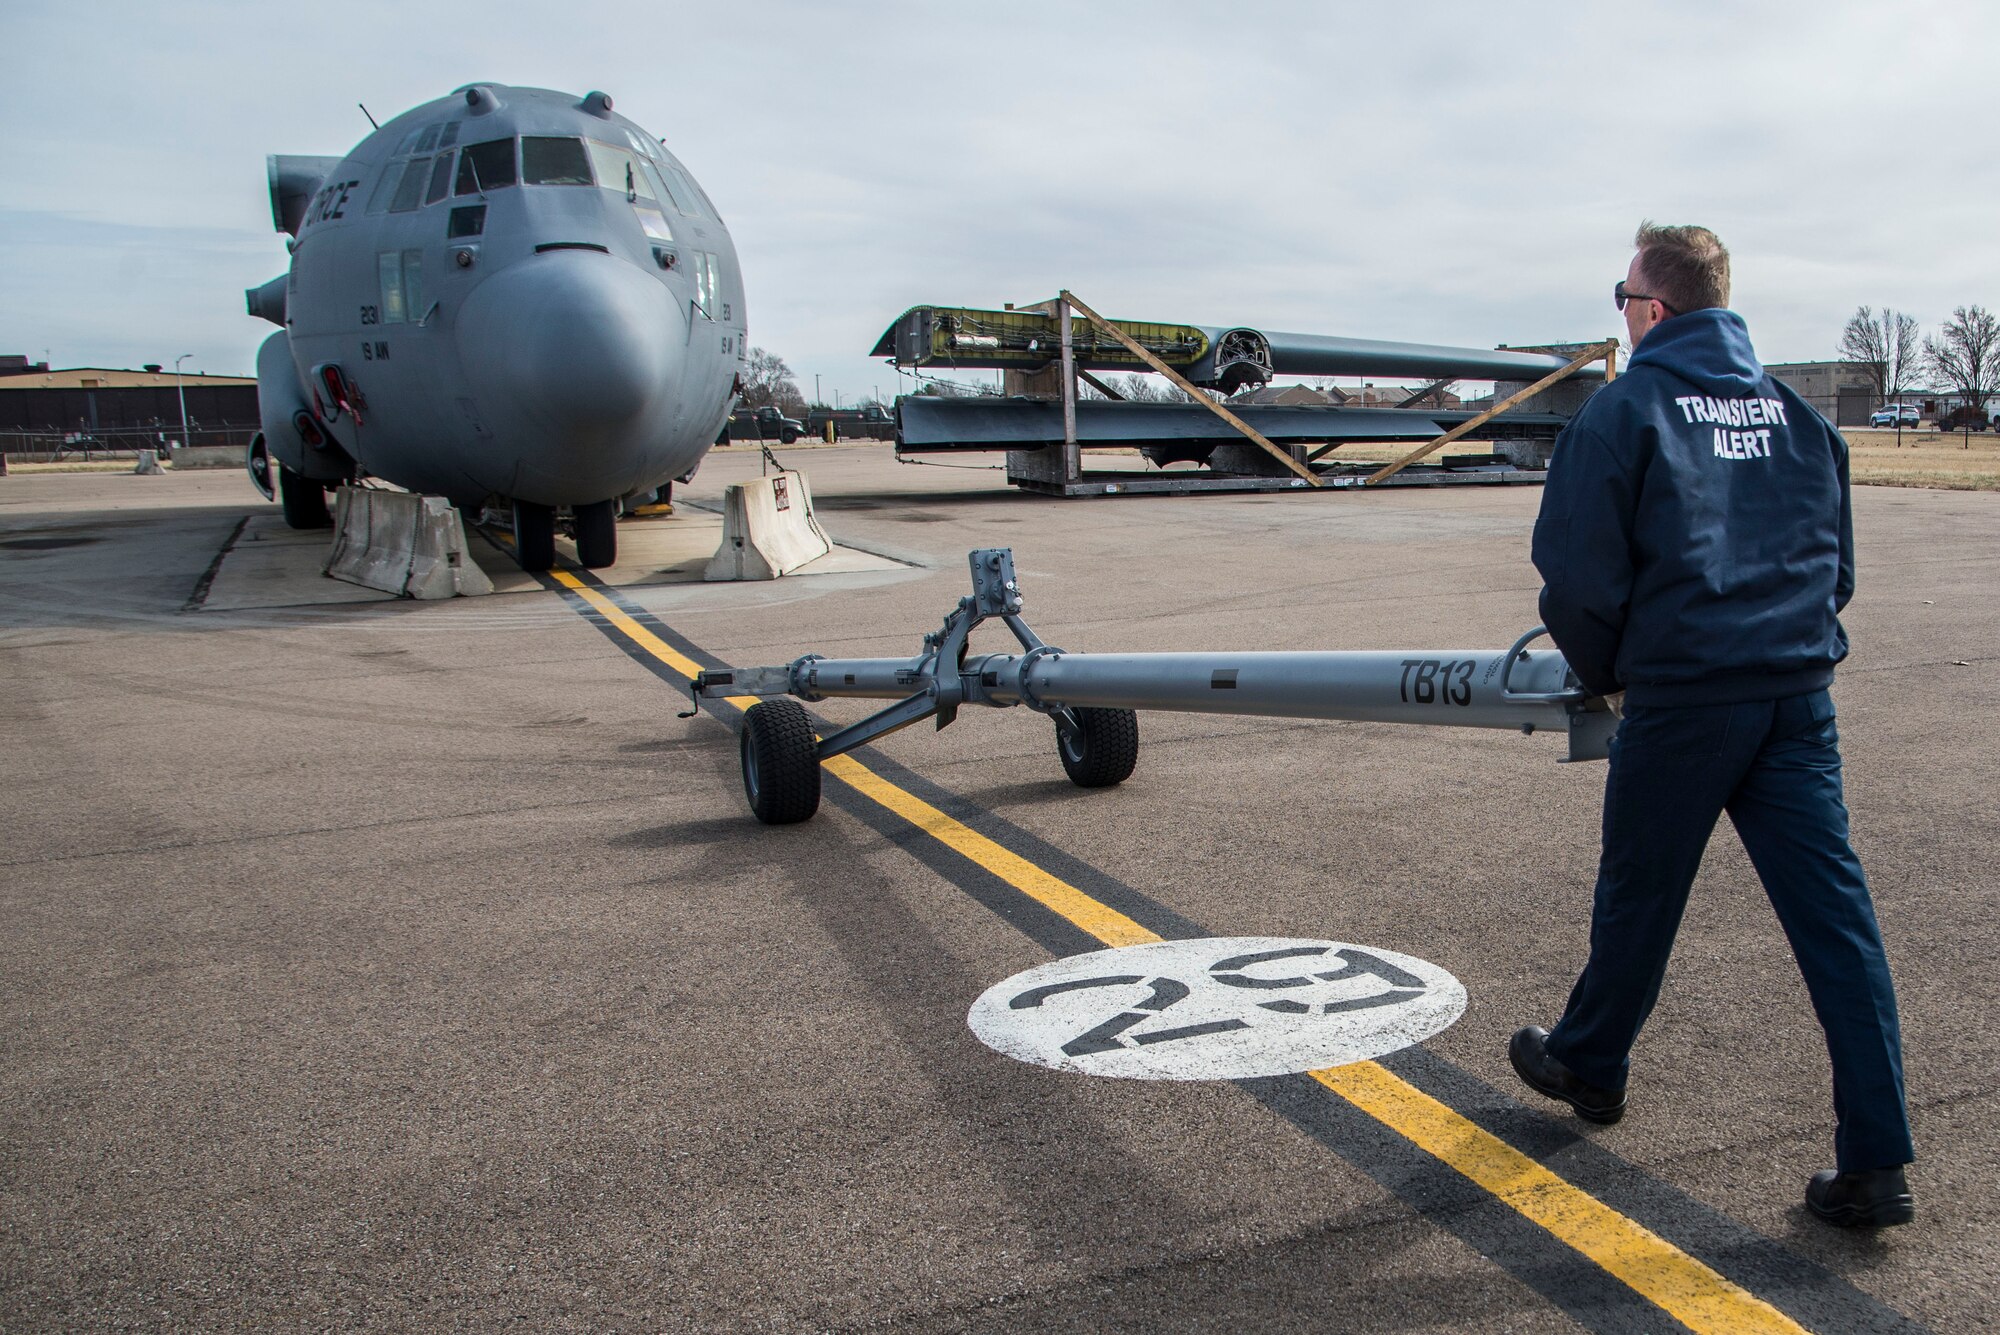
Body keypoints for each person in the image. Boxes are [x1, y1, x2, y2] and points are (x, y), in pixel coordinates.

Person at [1511, 222, 1915, 1227]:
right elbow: (1839, 572)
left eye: (1621, 294)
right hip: (1794, 699)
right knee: (1836, 925)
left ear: (1650, 309)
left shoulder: (1626, 410)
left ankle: (1591, 1065)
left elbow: (1575, 577)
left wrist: (1613, 673)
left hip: (1685, 700)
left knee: (1639, 897)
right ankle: (1875, 1164)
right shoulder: (1797, 418)